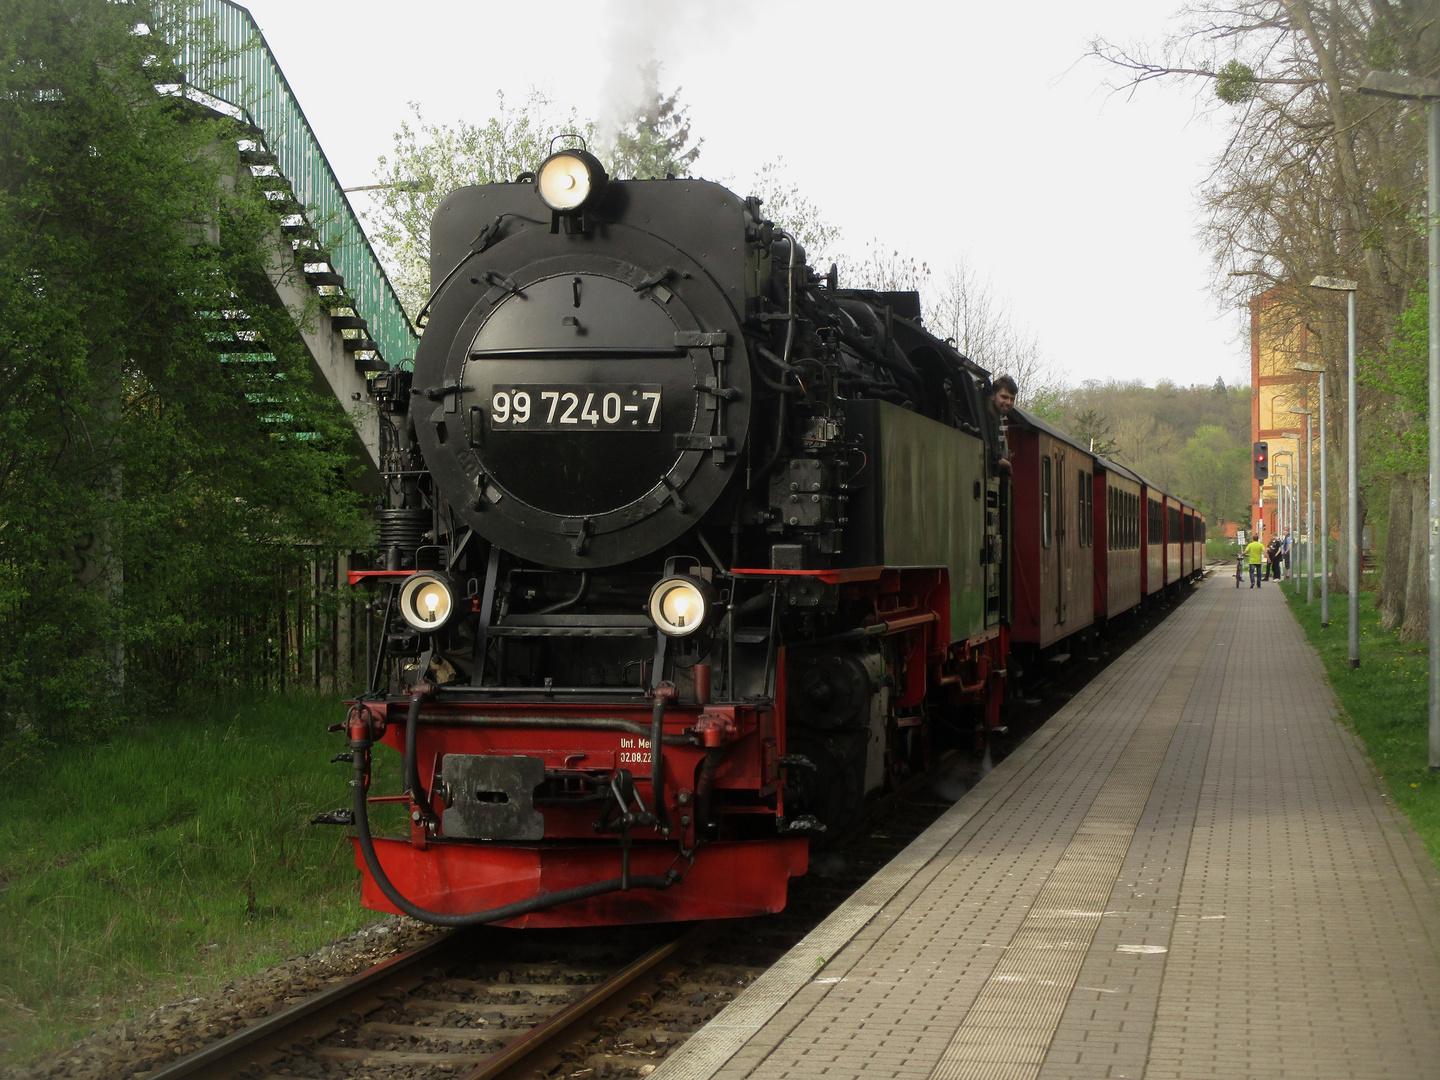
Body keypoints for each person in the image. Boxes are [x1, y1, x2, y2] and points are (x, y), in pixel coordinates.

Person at [987, 374, 1017, 476]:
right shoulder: (984, 420)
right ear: (992, 395)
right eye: (1004, 397)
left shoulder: (1000, 421)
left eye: (1012, 399)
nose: (1009, 402)